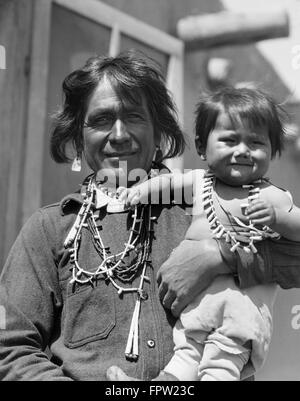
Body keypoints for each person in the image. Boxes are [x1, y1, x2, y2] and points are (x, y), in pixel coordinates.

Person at [0, 52, 300, 381]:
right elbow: (10, 348)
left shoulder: (202, 204)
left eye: (133, 117)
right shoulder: (50, 231)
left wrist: (218, 255)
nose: (118, 134)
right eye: (101, 120)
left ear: (159, 132)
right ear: (77, 136)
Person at [112, 86, 300, 381]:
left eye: (256, 142)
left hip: (239, 315)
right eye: (229, 140)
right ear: (201, 147)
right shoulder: (200, 183)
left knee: (220, 369)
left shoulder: (270, 196)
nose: (242, 150)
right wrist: (138, 191)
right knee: (183, 361)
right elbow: (167, 184)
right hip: (198, 309)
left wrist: (277, 218)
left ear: (273, 151)